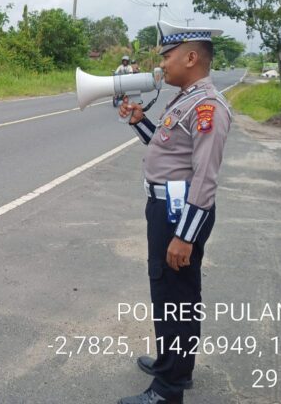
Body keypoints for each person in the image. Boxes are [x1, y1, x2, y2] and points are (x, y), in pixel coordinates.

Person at [116, 21, 232, 404]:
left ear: (191, 57)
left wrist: (185, 235)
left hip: (178, 213)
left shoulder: (207, 107)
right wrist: (140, 121)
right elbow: (167, 149)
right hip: (168, 208)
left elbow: (205, 177)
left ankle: (168, 390)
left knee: (175, 298)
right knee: (173, 295)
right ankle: (175, 366)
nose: (162, 63)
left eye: (168, 56)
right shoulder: (187, 99)